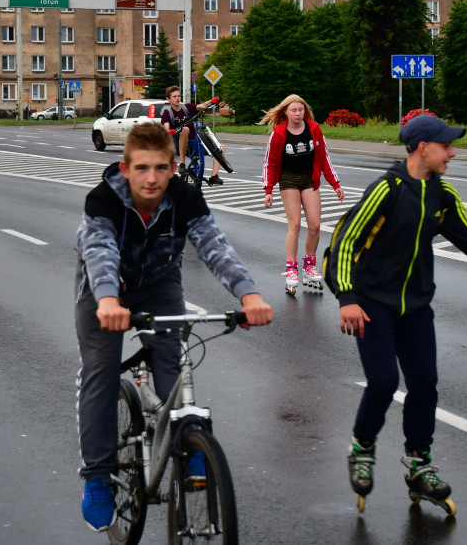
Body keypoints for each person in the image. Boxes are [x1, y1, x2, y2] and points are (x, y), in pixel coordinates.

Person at [327, 114, 467, 508]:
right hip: (371, 303)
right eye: (446, 146)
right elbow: (344, 240)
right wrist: (347, 298)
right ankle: (362, 448)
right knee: (382, 383)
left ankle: (418, 464)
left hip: (416, 306)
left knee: (425, 383)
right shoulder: (387, 189)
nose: (452, 152)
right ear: (423, 148)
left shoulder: (441, 195)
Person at [74, 121, 272, 532]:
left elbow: (214, 245)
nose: (152, 178)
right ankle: (96, 477)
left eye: (161, 168)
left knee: (173, 364)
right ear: (125, 168)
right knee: (101, 372)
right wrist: (109, 299)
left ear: (173, 166)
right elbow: (99, 252)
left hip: (160, 283)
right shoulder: (103, 200)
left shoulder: (184, 196)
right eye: (142, 168)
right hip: (104, 289)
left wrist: (248, 295)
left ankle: (188, 438)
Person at [260, 94, 344, 292]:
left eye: (301, 110)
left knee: (315, 225)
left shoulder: (314, 129)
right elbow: (269, 164)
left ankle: (309, 266)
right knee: (295, 225)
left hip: (309, 180)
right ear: (286, 113)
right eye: (294, 110)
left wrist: (335, 184)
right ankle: (291, 268)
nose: (298, 114)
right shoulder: (279, 134)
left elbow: (325, 159)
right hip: (288, 180)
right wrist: (268, 190)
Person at [160, 85, 225, 184]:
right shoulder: (167, 113)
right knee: (185, 129)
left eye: (178, 96)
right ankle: (182, 164)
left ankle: (213, 176)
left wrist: (212, 100)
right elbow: (166, 129)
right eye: (174, 96)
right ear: (168, 99)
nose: (177, 98)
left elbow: (203, 106)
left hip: (193, 143)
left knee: (221, 147)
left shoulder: (187, 107)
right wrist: (169, 133)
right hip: (178, 144)